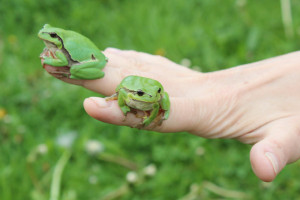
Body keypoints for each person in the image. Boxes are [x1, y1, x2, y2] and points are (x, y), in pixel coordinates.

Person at [43, 48, 300, 182]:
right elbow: (123, 91)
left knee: (160, 99)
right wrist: (125, 103)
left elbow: (157, 95)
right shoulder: (131, 92)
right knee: (121, 92)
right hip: (130, 87)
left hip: (149, 89)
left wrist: (156, 110)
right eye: (146, 97)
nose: (152, 98)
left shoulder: (155, 96)